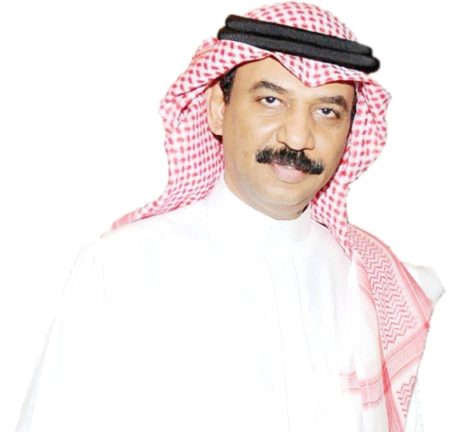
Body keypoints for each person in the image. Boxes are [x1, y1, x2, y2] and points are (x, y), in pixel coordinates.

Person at [16, 2, 443, 431]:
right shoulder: (121, 268)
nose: (298, 137)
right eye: (271, 100)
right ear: (219, 108)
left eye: (326, 111)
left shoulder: (374, 281)